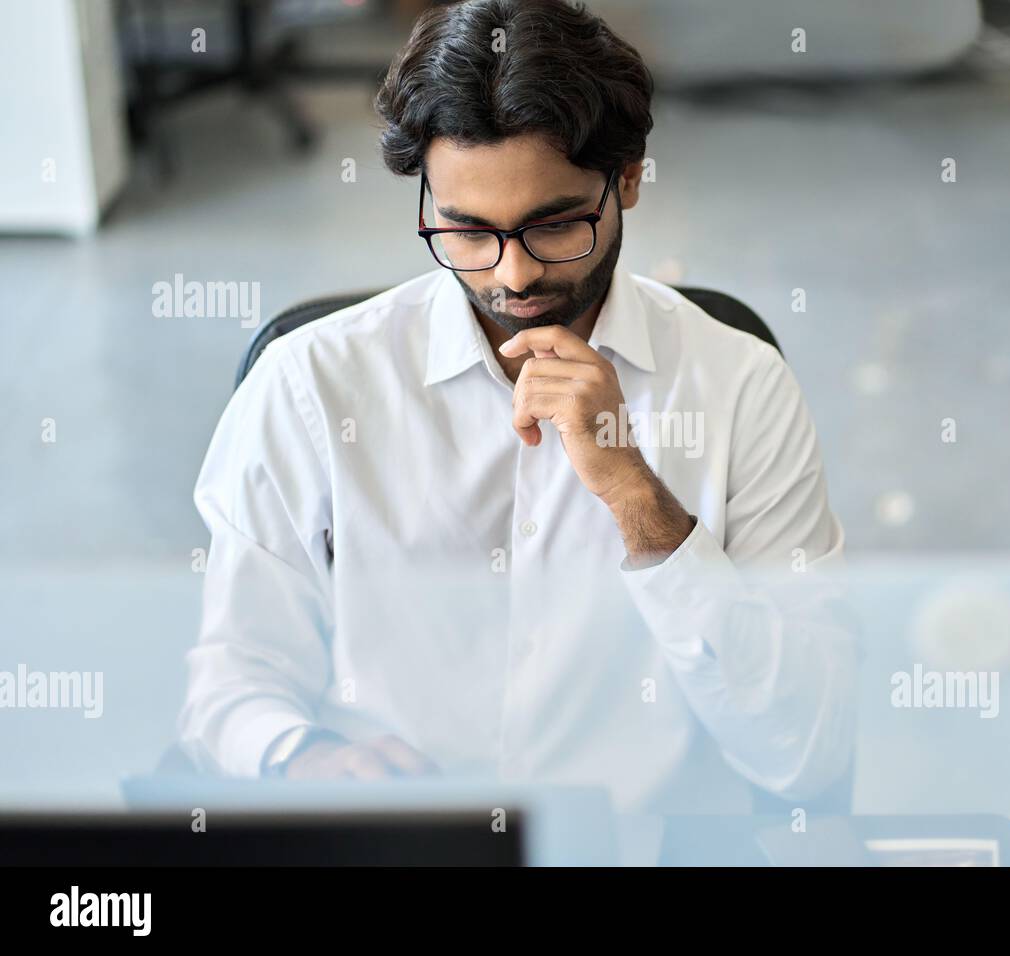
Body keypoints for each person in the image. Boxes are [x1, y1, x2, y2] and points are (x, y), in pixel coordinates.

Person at [178, 0, 856, 814]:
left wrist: (639, 500)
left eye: (554, 227)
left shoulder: (739, 388)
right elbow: (230, 684)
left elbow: (806, 750)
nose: (513, 276)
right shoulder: (310, 385)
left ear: (629, 181)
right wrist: (304, 756)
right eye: (467, 232)